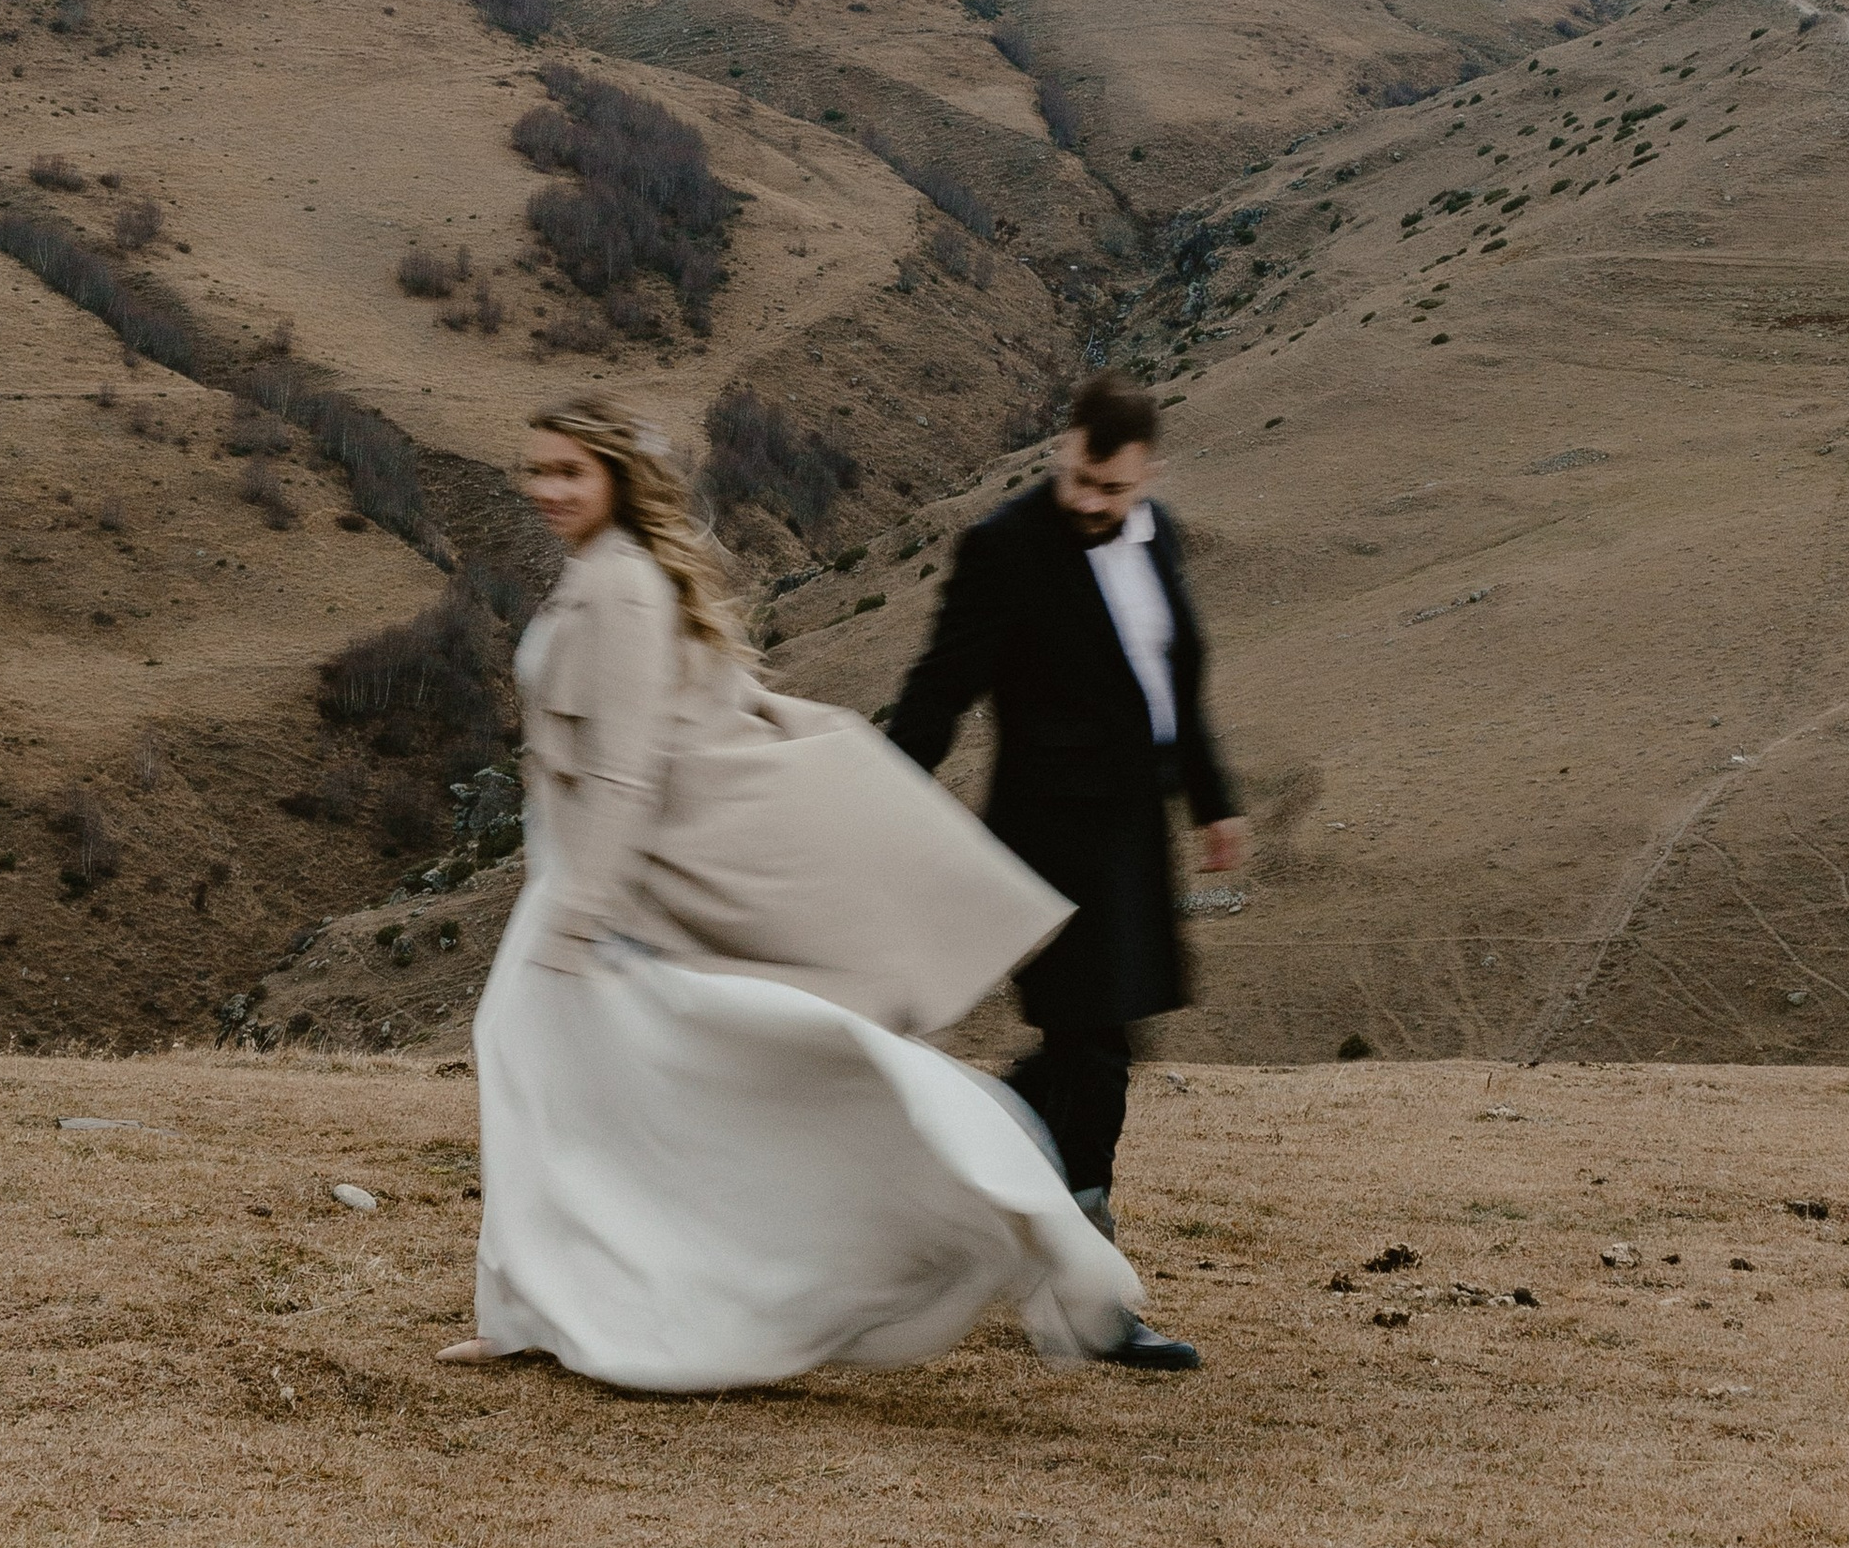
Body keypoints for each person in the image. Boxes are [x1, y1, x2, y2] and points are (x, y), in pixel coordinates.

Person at [438, 392, 1178, 1394]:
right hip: (579, 880)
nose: (546, 489)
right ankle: (530, 1309)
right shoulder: (604, 573)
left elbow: (622, 771)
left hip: (591, 890)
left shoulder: (618, 588)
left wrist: (584, 912)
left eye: (569, 471)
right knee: (562, 1094)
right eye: (536, 469)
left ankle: (569, 1306)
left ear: (615, 477)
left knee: (571, 1093)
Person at [887, 372, 1245, 1358]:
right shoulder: (1003, 549)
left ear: (1146, 475)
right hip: (1044, 843)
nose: (1093, 504)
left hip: (1129, 836)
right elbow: (938, 686)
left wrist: (1213, 800)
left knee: (1087, 1054)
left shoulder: (1156, 532)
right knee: (1095, 1054)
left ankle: (954, 1193)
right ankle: (1089, 1301)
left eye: (1112, 491)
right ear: (1064, 451)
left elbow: (1174, 676)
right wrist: (879, 796)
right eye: (1082, 481)